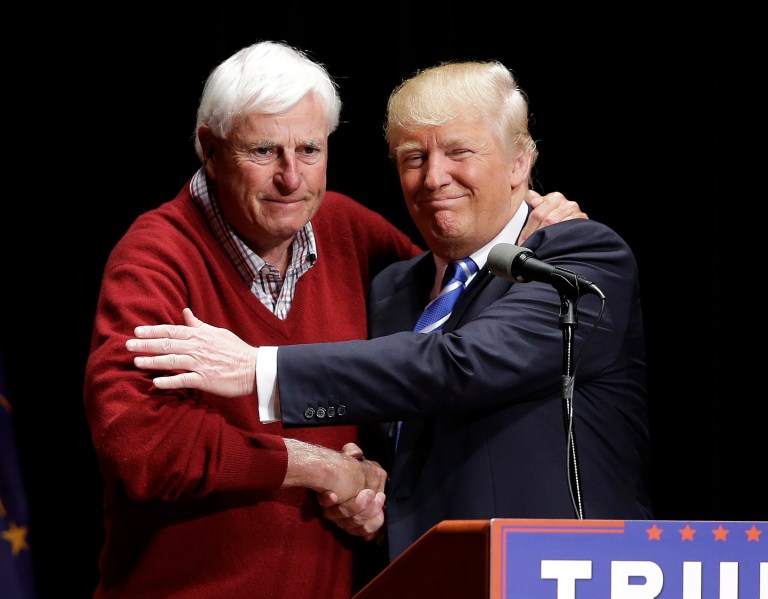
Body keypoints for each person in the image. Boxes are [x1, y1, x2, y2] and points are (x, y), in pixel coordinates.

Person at [83, 41, 586, 599]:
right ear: (210, 148)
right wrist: (321, 468)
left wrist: (528, 225)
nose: (291, 178)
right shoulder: (154, 258)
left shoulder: (347, 230)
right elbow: (141, 445)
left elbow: (451, 301)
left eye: (309, 149)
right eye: (263, 151)